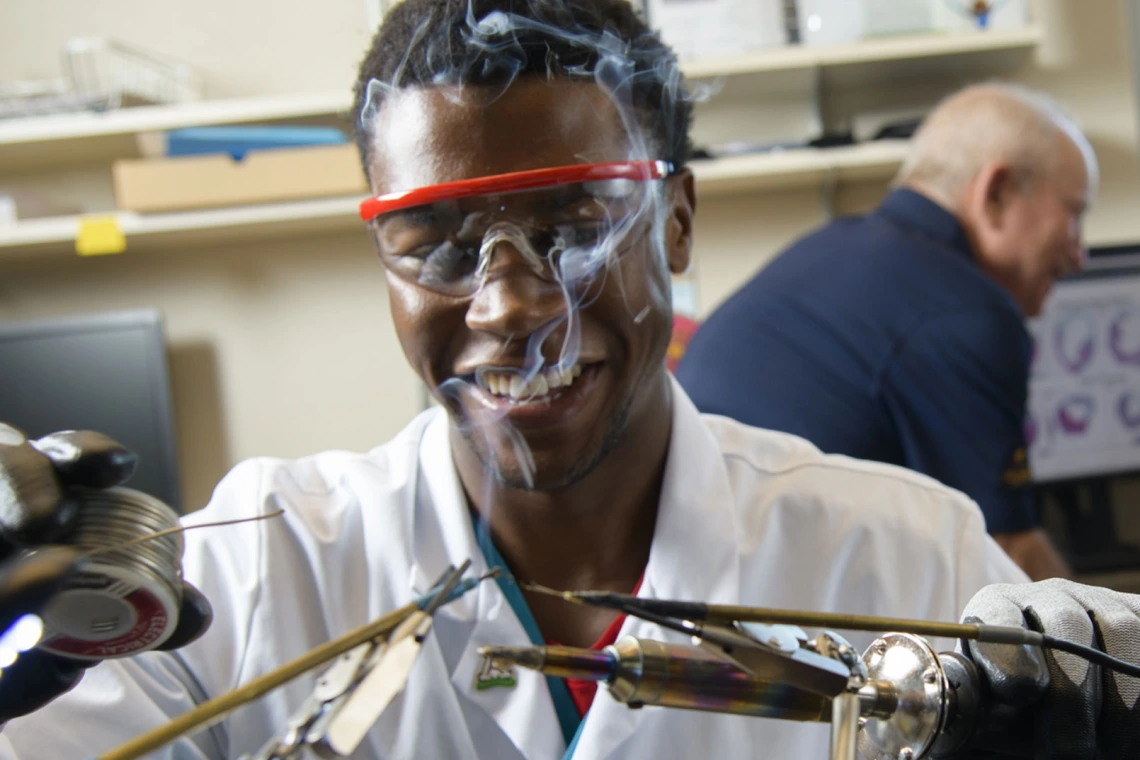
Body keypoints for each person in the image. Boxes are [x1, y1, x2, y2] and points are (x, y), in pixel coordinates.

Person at [0, 3, 1136, 758]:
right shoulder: (249, 575)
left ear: (676, 224)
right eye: (437, 242)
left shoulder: (909, 554)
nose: (510, 305)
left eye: (580, 225)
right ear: (381, 263)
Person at [676, 84, 1093, 582]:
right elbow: (1013, 566)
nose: (1079, 253)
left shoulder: (831, 246)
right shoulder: (966, 314)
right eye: (1074, 215)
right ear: (997, 193)